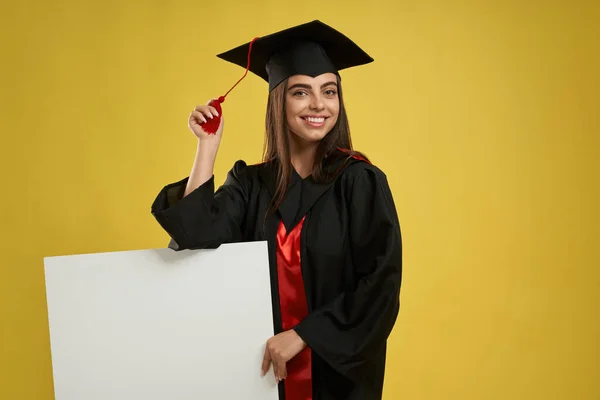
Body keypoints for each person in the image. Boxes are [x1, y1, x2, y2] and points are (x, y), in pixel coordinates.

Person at [151, 20, 402, 400]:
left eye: (329, 91)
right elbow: (194, 242)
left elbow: (380, 287)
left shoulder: (360, 182)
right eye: (301, 91)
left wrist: (303, 335)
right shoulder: (250, 186)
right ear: (278, 100)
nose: (319, 104)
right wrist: (207, 147)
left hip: (337, 383)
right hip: (260, 380)